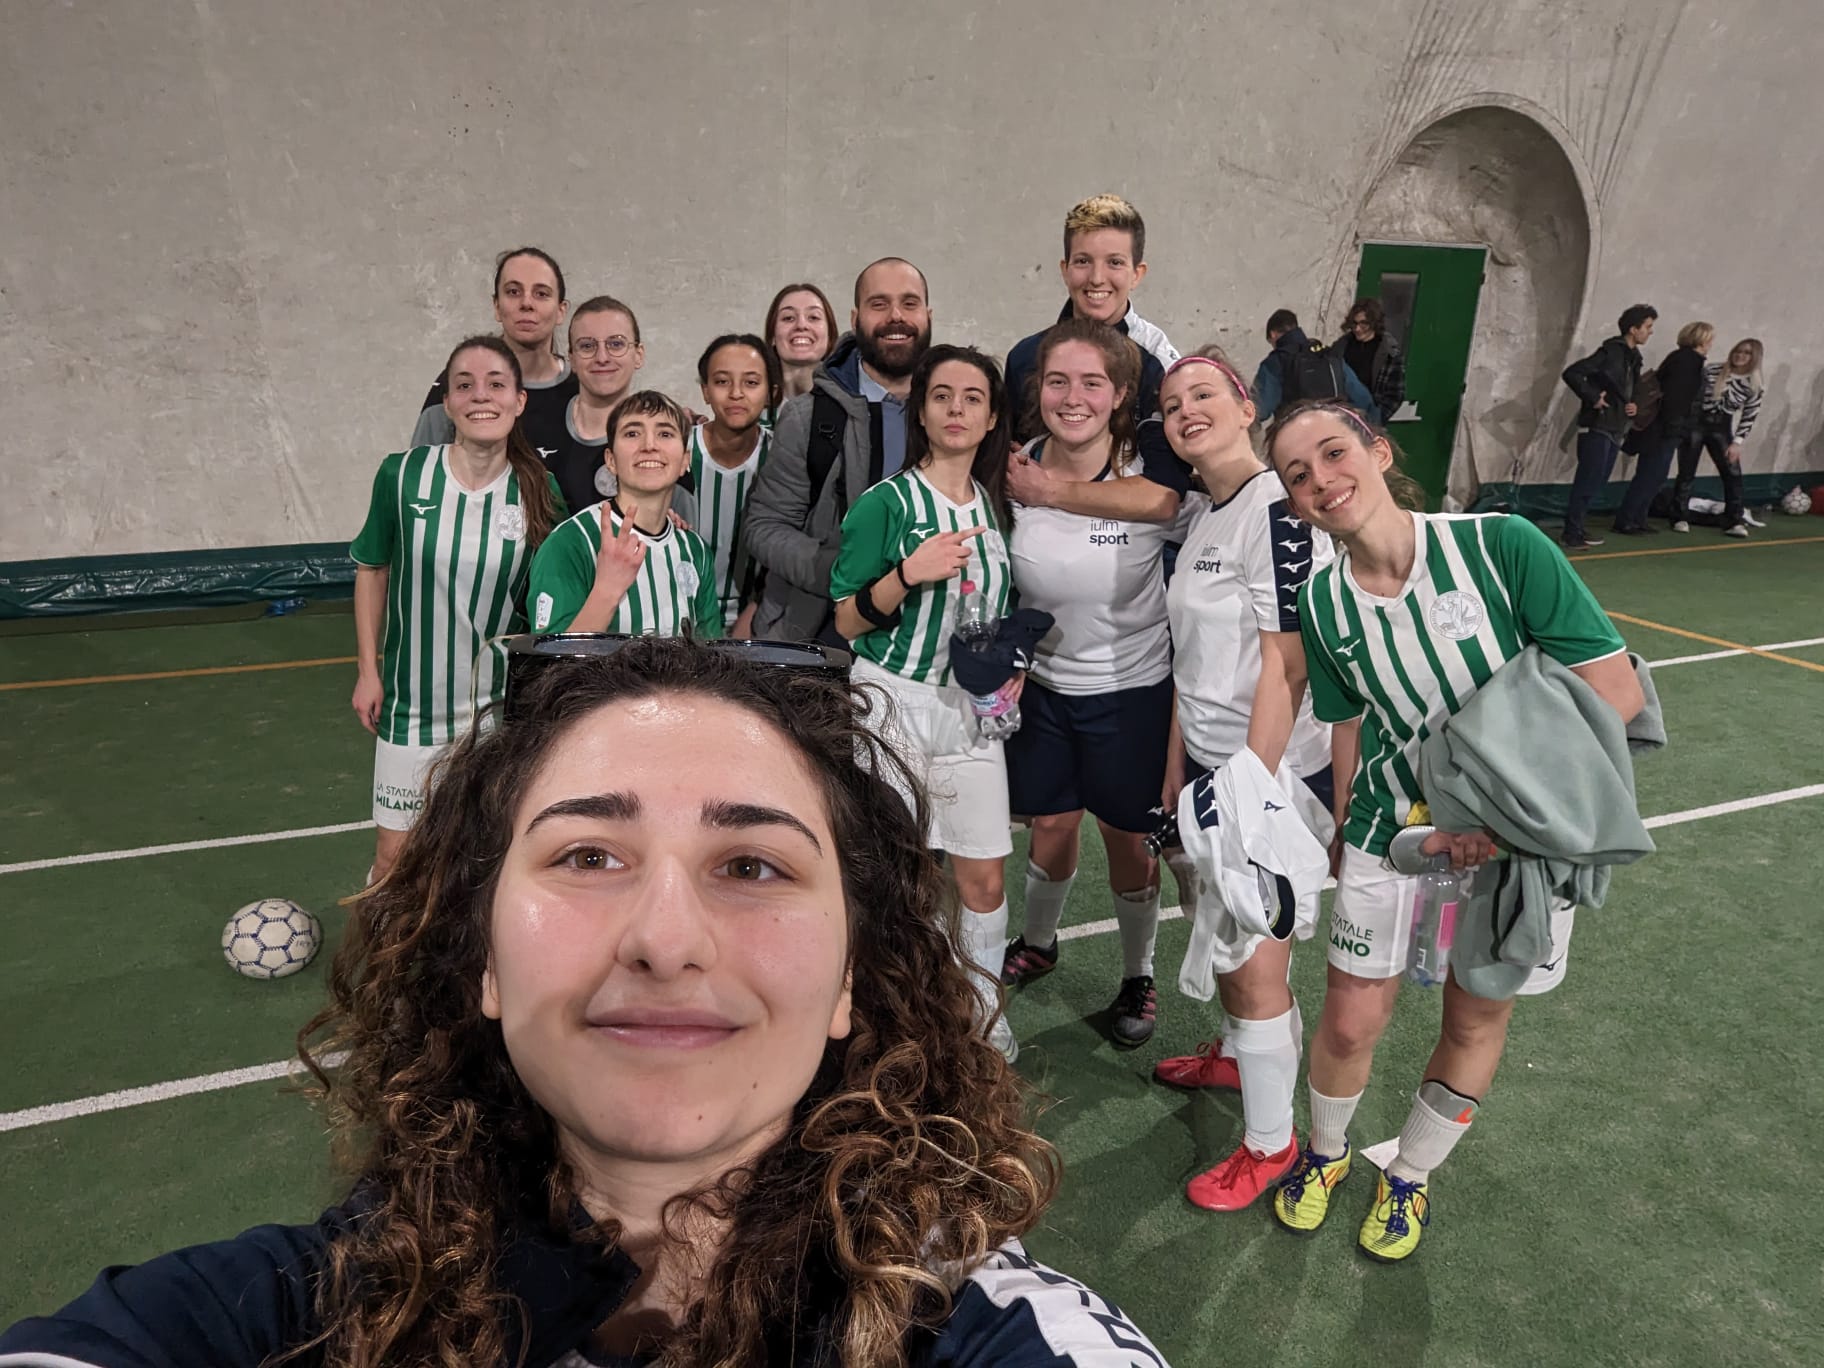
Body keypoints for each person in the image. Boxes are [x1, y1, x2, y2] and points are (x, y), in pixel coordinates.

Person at [0, 638, 1170, 1366]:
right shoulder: (287, 1313)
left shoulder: (997, 1338)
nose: (665, 939)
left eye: (754, 865)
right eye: (586, 856)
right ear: (485, 959)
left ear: (850, 982)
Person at [1262, 399, 1644, 1262]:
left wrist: (1497, 829)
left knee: (1473, 1016)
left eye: (1333, 453)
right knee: (1352, 1020)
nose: (1322, 480)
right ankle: (1323, 1157)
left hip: (1515, 845)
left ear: (1379, 450)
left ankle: (1410, 1177)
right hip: (1391, 838)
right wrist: (1347, 822)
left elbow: (1614, 695)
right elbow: (1350, 721)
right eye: (1298, 474)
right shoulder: (1322, 603)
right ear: (1292, 502)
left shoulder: (1499, 546)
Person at [1143, 356, 1337, 1213]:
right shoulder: (1203, 517)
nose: (1187, 411)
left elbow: (1284, 663)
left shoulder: (1276, 513)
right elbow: (1193, 665)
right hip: (1214, 772)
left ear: (1245, 407)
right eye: (1172, 403)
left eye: (1204, 396)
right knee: (1217, 930)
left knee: (1258, 967)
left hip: (1275, 777)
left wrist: (1252, 793)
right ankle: (1232, 1054)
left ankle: (1270, 1145)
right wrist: (1179, 773)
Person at [828, 345, 1019, 1061]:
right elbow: (847, 620)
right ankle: (890, 1014)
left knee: (983, 872)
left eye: (973, 397)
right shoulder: (888, 503)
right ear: (923, 411)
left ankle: (982, 1017)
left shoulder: (997, 510)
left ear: (992, 415)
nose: (958, 409)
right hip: (892, 698)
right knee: (895, 872)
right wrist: (909, 572)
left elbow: (998, 613)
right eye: (943, 396)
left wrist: (1012, 665)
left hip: (969, 709)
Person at [998, 320, 1181, 1050]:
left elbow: (1171, 507)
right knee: (1050, 824)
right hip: (1041, 689)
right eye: (1057, 381)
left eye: (1092, 383)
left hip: (1132, 690)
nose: (1073, 398)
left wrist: (1059, 493)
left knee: (1129, 839)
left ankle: (1139, 972)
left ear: (1122, 395)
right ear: (1036, 389)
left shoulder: (1153, 472)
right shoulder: (1011, 472)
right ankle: (1039, 940)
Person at [350, 335, 564, 883]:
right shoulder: (401, 475)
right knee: (395, 859)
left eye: (496, 384)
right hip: (410, 705)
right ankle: (384, 968)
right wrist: (368, 672)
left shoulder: (538, 487)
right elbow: (372, 570)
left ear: (519, 400)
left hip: (493, 712)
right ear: (447, 403)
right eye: (464, 385)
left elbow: (566, 578)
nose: (480, 396)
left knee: (480, 862)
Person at [744, 257, 934, 644]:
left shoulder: (957, 410)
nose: (896, 316)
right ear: (854, 317)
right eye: (879, 304)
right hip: (822, 633)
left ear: (928, 315)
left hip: (929, 638)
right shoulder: (808, 417)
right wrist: (847, 571)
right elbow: (764, 526)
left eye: (910, 303)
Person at [1003, 194, 1187, 525]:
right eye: (1083, 261)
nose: (1097, 278)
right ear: (1065, 269)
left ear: (1137, 273)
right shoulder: (1024, 358)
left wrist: (1050, 491)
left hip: (1126, 551)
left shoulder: (1160, 365)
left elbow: (1165, 494)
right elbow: (1012, 462)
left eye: (1115, 262)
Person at [528, 391, 721, 636]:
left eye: (665, 434)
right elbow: (550, 665)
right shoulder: (570, 543)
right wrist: (607, 591)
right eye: (632, 434)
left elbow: (710, 658)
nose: (649, 446)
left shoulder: (696, 551)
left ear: (684, 461)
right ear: (611, 460)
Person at [410, 248, 577, 455]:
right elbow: (418, 478)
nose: (526, 303)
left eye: (541, 294)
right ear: (497, 306)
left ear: (561, 310)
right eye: (513, 292)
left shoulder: (582, 388)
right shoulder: (458, 385)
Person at [686, 335, 780, 638]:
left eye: (751, 383)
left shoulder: (782, 456)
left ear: (770, 393)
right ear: (705, 391)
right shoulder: (676, 450)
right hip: (680, 615)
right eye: (722, 382)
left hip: (756, 619)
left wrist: (756, 612)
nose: (737, 393)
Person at [1559, 303, 1657, 548]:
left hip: (1616, 427)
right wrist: (1593, 397)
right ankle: (1571, 533)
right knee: (1588, 480)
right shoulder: (1611, 352)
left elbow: (1626, 390)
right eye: (1647, 327)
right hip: (1599, 426)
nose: (1650, 332)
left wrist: (1633, 405)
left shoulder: (1633, 358)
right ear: (1633, 329)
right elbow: (1573, 373)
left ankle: (1578, 528)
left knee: (1597, 480)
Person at [541, 294, 647, 515]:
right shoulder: (535, 430)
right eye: (587, 346)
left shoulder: (660, 440)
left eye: (616, 344)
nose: (602, 357)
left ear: (638, 355)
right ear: (572, 358)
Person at [1613, 321, 1710, 536]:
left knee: (1653, 474)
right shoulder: (1689, 362)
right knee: (1651, 474)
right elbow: (1677, 399)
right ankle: (1628, 519)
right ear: (1702, 340)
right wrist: (1676, 427)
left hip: (1662, 427)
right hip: (1665, 429)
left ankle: (1637, 517)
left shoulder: (1679, 358)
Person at [1674, 337, 1765, 538]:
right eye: (1738, 351)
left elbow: (1750, 415)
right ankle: (1679, 516)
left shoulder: (1754, 383)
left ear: (1755, 357)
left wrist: (1738, 442)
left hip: (1721, 427)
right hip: (1696, 423)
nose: (1740, 355)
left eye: (1747, 353)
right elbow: (1692, 395)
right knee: (1687, 471)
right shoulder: (1712, 370)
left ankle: (1734, 520)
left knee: (1732, 474)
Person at [1252, 310, 1379, 422]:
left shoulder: (1276, 361)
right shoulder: (1328, 355)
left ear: (1273, 334)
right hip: (1333, 429)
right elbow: (1363, 400)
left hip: (1296, 434)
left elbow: (1260, 409)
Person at [1334, 297, 1407, 424]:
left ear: (1374, 323)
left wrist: (1377, 418)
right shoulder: (1341, 346)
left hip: (1369, 418)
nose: (1357, 329)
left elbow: (1395, 394)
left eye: (1363, 323)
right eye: (1354, 323)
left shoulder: (1389, 353)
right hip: (1339, 415)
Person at [764, 281, 838, 403]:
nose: (801, 325)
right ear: (772, 335)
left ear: (830, 335)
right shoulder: (752, 405)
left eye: (813, 317)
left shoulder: (851, 399)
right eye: (788, 318)